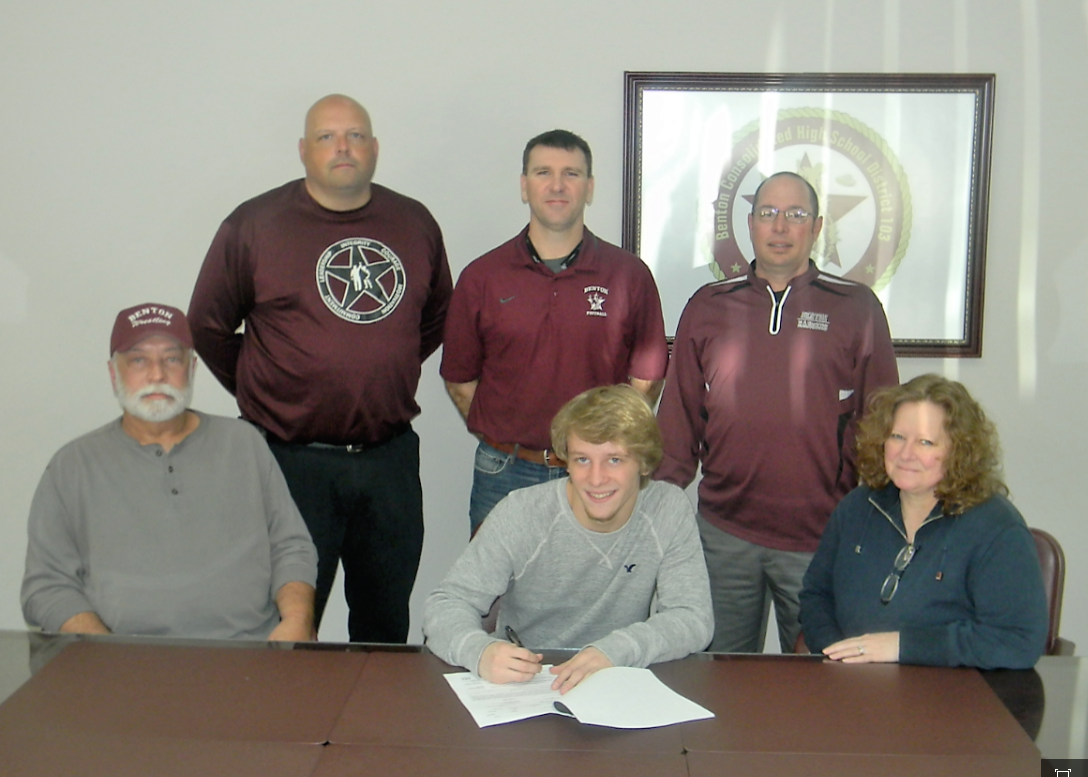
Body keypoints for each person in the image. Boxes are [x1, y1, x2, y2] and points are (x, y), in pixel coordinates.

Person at [188, 94, 453, 642]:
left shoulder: (414, 221)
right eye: (328, 137)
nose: (343, 147)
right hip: (287, 462)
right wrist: (266, 388)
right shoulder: (255, 225)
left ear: (375, 149)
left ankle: (373, 729)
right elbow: (207, 327)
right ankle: (281, 730)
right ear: (303, 150)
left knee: (384, 627)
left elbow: (435, 319)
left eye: (356, 135)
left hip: (389, 464)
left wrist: (381, 367)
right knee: (285, 626)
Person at [655, 171, 899, 654]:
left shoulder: (856, 308)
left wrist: (876, 516)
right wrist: (657, 508)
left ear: (817, 226)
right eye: (768, 213)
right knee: (718, 675)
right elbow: (679, 417)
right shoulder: (707, 306)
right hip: (723, 534)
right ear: (750, 223)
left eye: (795, 214)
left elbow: (884, 422)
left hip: (820, 538)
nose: (780, 226)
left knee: (819, 686)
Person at [21, 304, 317, 641]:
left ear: (191, 369)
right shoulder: (71, 466)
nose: (157, 374)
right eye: (138, 360)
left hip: (248, 658)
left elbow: (291, 546)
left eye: (171, 359)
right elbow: (45, 586)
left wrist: (296, 619)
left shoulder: (244, 444)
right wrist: (106, 655)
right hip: (122, 668)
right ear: (113, 373)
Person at [441, 129, 668, 534]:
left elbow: (647, 379)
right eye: (543, 172)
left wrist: (601, 450)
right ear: (524, 186)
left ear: (590, 187)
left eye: (572, 174)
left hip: (596, 479)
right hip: (504, 473)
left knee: (599, 594)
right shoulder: (482, 277)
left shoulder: (628, 275)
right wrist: (508, 434)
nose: (558, 185)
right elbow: (460, 381)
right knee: (497, 596)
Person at [423, 385, 713, 693]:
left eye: (614, 459)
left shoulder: (667, 509)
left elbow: (693, 617)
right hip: (525, 686)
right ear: (566, 460)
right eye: (582, 460)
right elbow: (446, 604)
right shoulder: (522, 512)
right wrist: (478, 651)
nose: (596, 478)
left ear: (643, 463)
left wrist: (619, 648)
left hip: (616, 679)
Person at [798, 374, 1047, 669]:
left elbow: (1018, 641)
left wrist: (901, 647)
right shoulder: (857, 507)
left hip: (952, 698)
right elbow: (816, 595)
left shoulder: (996, 527)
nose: (906, 454)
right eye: (898, 437)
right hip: (852, 690)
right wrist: (840, 654)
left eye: (926, 442)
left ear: (958, 451)